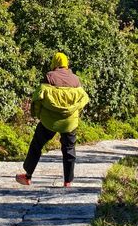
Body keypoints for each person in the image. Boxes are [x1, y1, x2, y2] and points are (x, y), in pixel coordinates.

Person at [16, 51, 89, 188]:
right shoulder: (75, 80)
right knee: (69, 149)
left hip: (49, 121)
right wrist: (75, 113)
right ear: (66, 63)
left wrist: (38, 115)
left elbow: (38, 98)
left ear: (54, 62)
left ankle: (27, 176)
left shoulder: (49, 77)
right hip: (69, 122)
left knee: (36, 145)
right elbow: (83, 100)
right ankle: (68, 182)